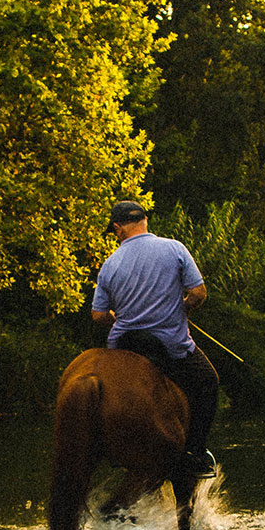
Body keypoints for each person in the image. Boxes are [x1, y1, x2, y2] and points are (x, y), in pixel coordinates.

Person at [91, 200, 219, 478]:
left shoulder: (110, 264)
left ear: (118, 228)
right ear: (145, 220)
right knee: (208, 382)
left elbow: (98, 315)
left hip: (125, 346)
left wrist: (118, 319)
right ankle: (195, 453)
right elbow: (198, 293)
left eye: (114, 231)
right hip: (170, 345)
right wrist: (181, 308)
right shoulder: (174, 248)